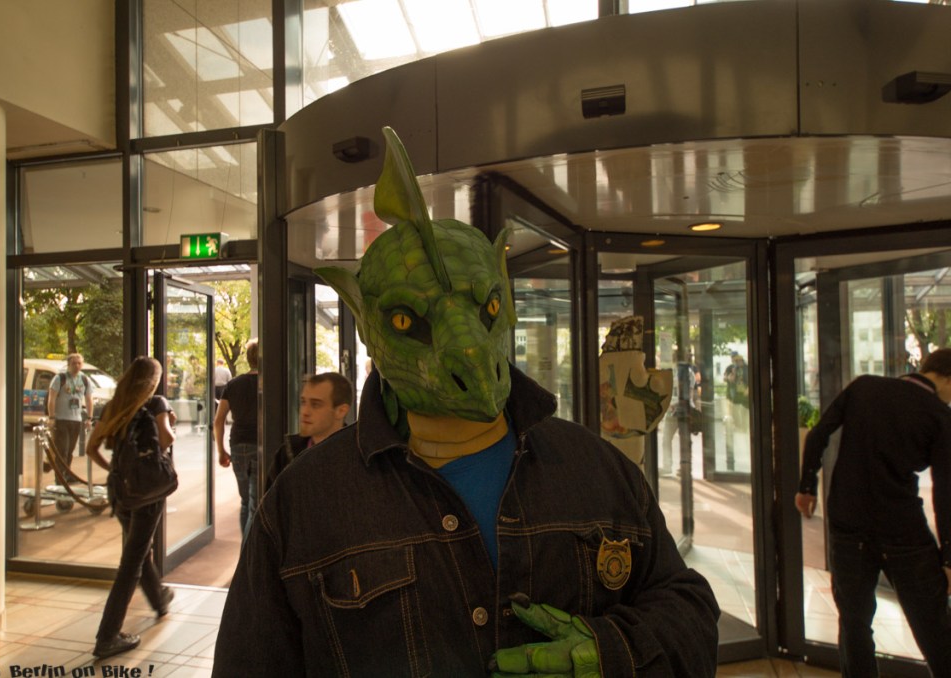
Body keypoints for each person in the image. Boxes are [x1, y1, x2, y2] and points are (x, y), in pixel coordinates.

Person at [212, 127, 719, 677]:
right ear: (368, 326)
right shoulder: (303, 503)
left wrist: (614, 651)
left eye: (488, 308)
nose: (469, 353)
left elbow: (687, 608)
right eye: (408, 320)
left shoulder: (599, 472)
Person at [795, 348, 951, 677]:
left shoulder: (864, 387)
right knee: (934, 626)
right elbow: (945, 491)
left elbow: (818, 435)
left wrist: (806, 487)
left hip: (849, 528)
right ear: (947, 379)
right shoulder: (939, 415)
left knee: (854, 625)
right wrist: (949, 557)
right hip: (903, 532)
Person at [85, 356, 176, 659]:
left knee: (138, 549)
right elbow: (166, 438)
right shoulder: (156, 403)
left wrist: (116, 471)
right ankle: (107, 635)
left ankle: (159, 598)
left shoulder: (115, 405)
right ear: (151, 382)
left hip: (121, 493)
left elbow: (91, 447)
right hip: (147, 496)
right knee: (132, 562)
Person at [265, 372, 352, 488]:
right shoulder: (287, 454)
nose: (305, 411)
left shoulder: (356, 458)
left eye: (316, 404)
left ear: (341, 411)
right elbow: (269, 504)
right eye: (303, 402)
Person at [214, 340, 259, 537]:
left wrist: (221, 450)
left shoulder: (233, 385)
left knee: (245, 501)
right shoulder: (272, 382)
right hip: (261, 445)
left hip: (238, 444)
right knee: (257, 501)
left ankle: (245, 548)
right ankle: (249, 553)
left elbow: (218, 420)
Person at [46, 353, 93, 472]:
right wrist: (51, 417)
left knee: (70, 450)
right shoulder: (60, 378)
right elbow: (51, 399)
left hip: (76, 420)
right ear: (68, 365)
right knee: (62, 450)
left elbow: (88, 399)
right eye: (73, 363)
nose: (76, 366)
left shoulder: (84, 379)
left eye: (79, 363)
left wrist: (89, 417)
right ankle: (60, 477)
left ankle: (67, 474)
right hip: (61, 419)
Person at [723, 352, 748, 431]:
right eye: (734, 359)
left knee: (744, 410)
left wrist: (748, 389)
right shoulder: (731, 368)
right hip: (734, 392)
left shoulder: (746, 368)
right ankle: (738, 426)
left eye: (738, 360)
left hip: (744, 392)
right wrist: (732, 373)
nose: (736, 362)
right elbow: (728, 378)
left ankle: (744, 427)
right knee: (734, 410)